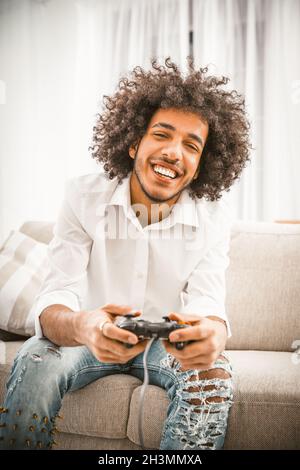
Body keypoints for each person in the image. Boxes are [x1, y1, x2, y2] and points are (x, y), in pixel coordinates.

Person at [0, 57, 250, 450]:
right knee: (36, 354)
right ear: (134, 142)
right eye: (162, 135)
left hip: (166, 348)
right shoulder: (82, 196)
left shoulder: (214, 219)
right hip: (87, 337)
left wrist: (214, 334)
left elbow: (207, 300)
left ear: (201, 167)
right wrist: (85, 326)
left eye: (191, 145)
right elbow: (56, 293)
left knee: (213, 372)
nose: (173, 153)